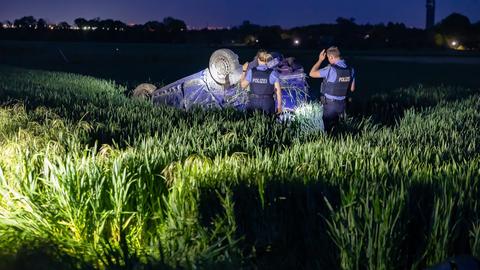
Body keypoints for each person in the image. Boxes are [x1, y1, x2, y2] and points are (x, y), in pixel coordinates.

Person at [309, 46, 355, 131]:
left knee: (329, 131)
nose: (328, 60)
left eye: (328, 58)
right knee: (340, 130)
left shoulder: (330, 69)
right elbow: (352, 89)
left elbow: (312, 73)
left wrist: (320, 60)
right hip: (343, 105)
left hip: (330, 106)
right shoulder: (351, 69)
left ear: (331, 57)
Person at [240, 50, 282, 115]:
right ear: (267, 59)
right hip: (268, 103)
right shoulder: (273, 73)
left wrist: (244, 71)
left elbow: (242, 86)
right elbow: (278, 92)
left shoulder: (251, 71)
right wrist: (279, 107)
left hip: (253, 102)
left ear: (258, 59)